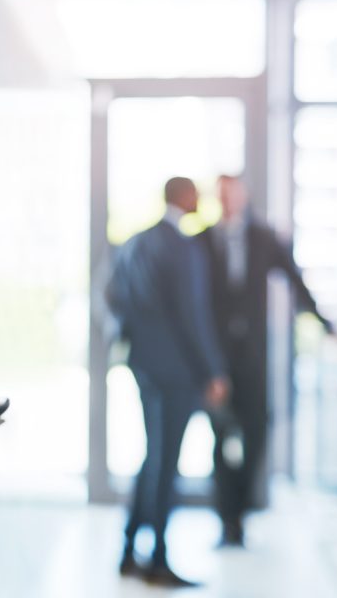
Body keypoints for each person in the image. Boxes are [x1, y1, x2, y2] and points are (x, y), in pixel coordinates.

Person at [197, 174, 335, 547]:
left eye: (234, 193)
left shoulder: (264, 237)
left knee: (258, 432)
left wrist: (325, 323)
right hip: (217, 361)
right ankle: (228, 522)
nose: (229, 200)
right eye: (222, 194)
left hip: (254, 357)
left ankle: (241, 508)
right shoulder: (202, 240)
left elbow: (294, 280)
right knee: (221, 438)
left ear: (245, 196)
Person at [107, 177, 229, 588]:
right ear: (186, 197)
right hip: (177, 372)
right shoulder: (182, 247)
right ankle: (158, 559)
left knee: (153, 458)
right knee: (165, 462)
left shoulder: (134, 243)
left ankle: (128, 551)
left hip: (143, 365)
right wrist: (213, 370)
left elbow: (115, 300)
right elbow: (193, 315)